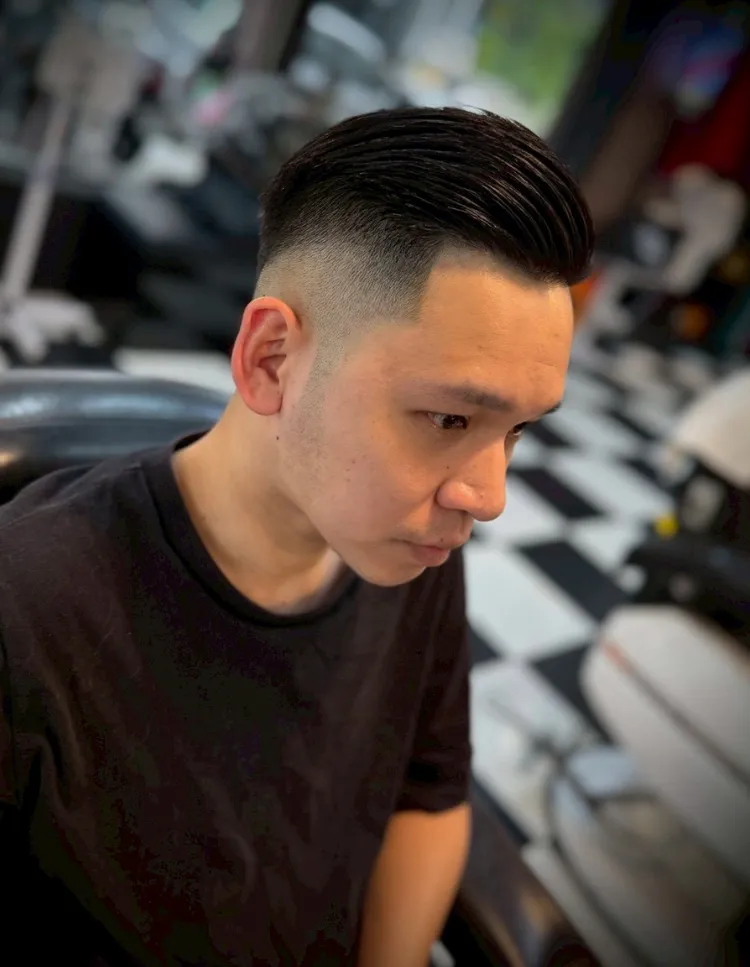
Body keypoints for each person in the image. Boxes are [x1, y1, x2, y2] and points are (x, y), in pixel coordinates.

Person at [0, 106, 593, 966]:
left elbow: (429, 791)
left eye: (519, 431)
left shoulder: (409, 544)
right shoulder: (27, 615)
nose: (488, 496)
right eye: (450, 417)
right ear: (272, 358)